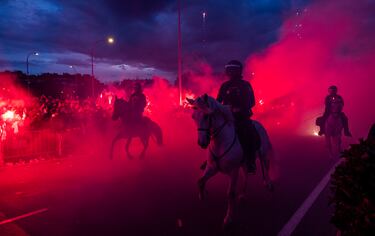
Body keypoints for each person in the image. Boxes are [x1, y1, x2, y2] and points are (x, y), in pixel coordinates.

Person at [216, 60, 259, 173]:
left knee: (249, 135)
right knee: (214, 134)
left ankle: (250, 161)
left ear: (237, 70)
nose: (229, 71)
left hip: (242, 117)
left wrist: (239, 108)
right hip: (227, 118)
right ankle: (212, 159)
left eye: (231, 69)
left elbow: (252, 102)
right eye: (228, 69)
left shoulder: (245, 85)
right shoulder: (225, 86)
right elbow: (218, 101)